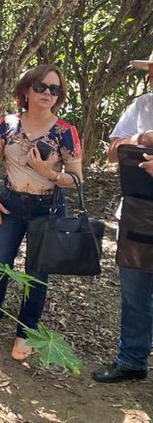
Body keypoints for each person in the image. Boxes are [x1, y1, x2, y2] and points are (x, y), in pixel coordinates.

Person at [0, 64, 82, 361]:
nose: (47, 94)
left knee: (37, 274)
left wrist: (49, 173)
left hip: (48, 208)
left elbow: (77, 178)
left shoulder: (66, 132)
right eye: (41, 87)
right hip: (10, 204)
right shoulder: (8, 124)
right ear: (26, 90)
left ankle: (26, 330)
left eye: (54, 89)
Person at [92, 51, 153, 383]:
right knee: (134, 290)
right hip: (137, 210)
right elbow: (113, 150)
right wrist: (142, 139)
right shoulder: (143, 106)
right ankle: (131, 360)